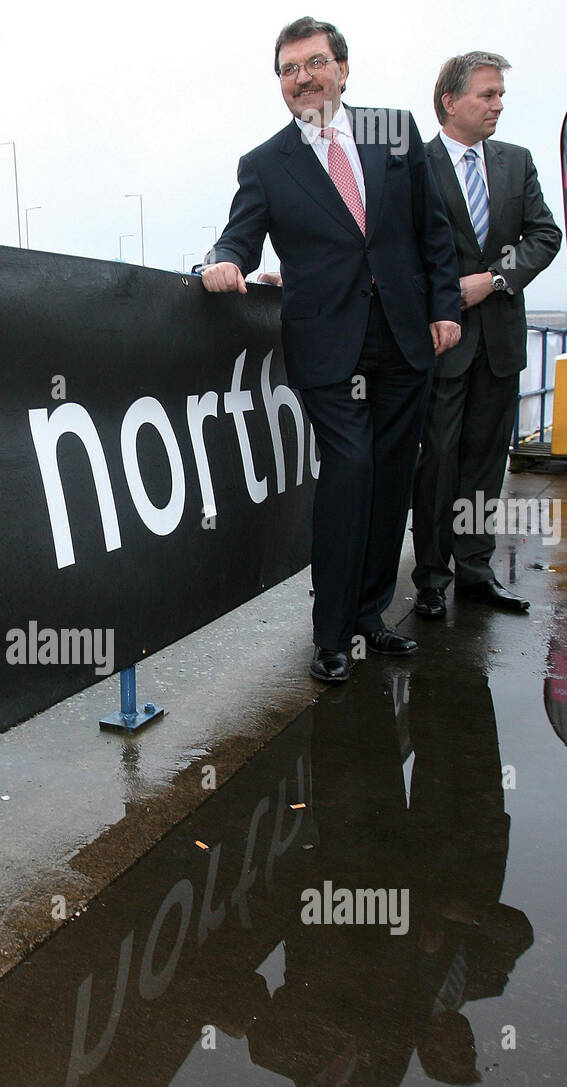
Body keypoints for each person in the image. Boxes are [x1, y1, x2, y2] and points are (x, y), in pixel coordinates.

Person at [202, 16, 461, 683]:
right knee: (349, 473)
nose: (301, 79)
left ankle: (371, 615)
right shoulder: (264, 163)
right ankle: (330, 634)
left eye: (313, 63)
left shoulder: (392, 130)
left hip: (405, 337)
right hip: (325, 344)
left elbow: (431, 229)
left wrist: (443, 308)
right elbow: (240, 235)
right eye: (288, 70)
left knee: (391, 477)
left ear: (342, 69)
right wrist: (220, 261)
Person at [411, 52, 562, 618]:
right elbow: (399, 252)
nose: (499, 105)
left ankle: (475, 572)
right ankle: (430, 577)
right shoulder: (413, 165)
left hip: (499, 343)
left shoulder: (516, 162)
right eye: (488, 95)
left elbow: (545, 235)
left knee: (484, 464)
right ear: (450, 101)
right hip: (440, 343)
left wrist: (495, 279)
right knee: (438, 461)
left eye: (501, 95)